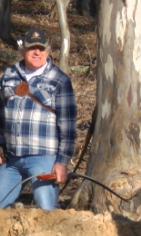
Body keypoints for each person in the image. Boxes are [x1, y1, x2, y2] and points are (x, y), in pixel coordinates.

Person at [0, 29, 77, 211]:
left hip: (43, 158)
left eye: (41, 49)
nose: (37, 52)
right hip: (12, 159)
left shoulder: (59, 80)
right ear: (23, 50)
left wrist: (62, 162)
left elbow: (68, 126)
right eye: (32, 48)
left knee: (46, 208)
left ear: (48, 51)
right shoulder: (9, 75)